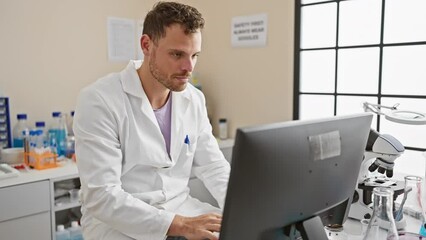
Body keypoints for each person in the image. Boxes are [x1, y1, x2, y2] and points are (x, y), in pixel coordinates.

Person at [73, 2, 231, 240]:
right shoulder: (99, 100)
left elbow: (213, 166)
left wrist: (240, 208)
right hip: (118, 227)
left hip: (181, 210)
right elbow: (102, 196)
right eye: (177, 54)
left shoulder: (193, 98)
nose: (188, 67)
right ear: (146, 45)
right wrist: (180, 226)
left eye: (194, 55)